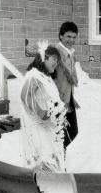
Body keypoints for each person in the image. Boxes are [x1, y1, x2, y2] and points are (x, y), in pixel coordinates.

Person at [20, 43, 67, 172]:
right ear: (43, 59)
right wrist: (41, 112)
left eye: (58, 61)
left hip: (48, 127)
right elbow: (25, 95)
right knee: (44, 162)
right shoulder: (34, 76)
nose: (56, 63)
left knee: (50, 162)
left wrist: (58, 111)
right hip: (38, 129)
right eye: (54, 60)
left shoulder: (45, 76)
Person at [54, 22, 79, 150]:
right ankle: (56, 160)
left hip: (68, 100)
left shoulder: (70, 52)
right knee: (60, 134)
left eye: (74, 37)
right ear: (61, 36)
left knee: (72, 131)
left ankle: (57, 156)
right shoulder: (55, 53)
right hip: (57, 102)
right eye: (68, 36)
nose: (71, 40)